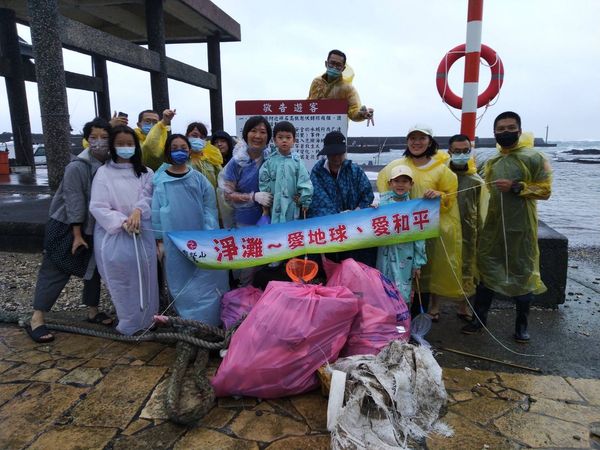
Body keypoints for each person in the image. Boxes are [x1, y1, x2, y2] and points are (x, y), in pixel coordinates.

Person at [462, 111, 552, 343]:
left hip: (521, 227)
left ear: (519, 130)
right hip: (491, 225)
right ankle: (479, 320)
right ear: (494, 133)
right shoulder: (489, 160)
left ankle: (521, 326)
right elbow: (473, 180)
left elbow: (545, 190)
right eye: (500, 129)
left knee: (523, 272)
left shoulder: (534, 157)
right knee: (486, 271)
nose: (505, 132)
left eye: (510, 128)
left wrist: (517, 187)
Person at [27, 118, 113, 343]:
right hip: (68, 226)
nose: (99, 142)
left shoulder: (110, 164)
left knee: (93, 268)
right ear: (86, 140)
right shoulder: (77, 166)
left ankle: (93, 311)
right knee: (56, 267)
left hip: (95, 226)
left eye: (105, 137)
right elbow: (74, 199)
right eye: (94, 137)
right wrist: (76, 233)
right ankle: (37, 318)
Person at [376, 125, 462, 320]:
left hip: (425, 231)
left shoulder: (441, 169)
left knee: (421, 272)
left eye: (421, 138)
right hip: (397, 235)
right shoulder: (396, 165)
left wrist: (440, 195)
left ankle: (415, 317)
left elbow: (451, 196)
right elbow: (383, 187)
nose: (416, 142)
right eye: (412, 138)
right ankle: (394, 317)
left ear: (430, 141)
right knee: (392, 276)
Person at [152, 134, 228, 325]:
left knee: (206, 277)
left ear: (189, 150)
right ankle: (187, 321)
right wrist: (159, 239)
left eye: (183, 148)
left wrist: (208, 233)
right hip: (173, 240)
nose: (180, 151)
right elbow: (155, 211)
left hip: (200, 238)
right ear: (168, 151)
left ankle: (209, 321)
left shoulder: (199, 179)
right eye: (175, 147)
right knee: (180, 279)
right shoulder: (160, 181)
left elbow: (210, 207)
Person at [90, 125, 158, 335]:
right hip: (115, 236)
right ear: (113, 146)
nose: (125, 147)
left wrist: (138, 211)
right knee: (121, 280)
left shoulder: (146, 172)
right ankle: (128, 321)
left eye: (129, 144)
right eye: (120, 144)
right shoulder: (103, 173)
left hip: (142, 232)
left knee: (147, 277)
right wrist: (122, 221)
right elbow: (98, 206)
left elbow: (149, 196)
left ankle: (149, 319)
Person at [219, 116, 274, 285]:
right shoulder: (237, 163)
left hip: (271, 218)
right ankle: (243, 304)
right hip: (246, 222)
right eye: (253, 131)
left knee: (269, 262)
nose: (258, 136)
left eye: (263, 132)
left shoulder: (272, 158)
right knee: (248, 265)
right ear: (246, 134)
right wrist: (252, 197)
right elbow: (227, 193)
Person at [308, 130, 375, 266]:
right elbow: (319, 201)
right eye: (333, 154)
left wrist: (358, 210)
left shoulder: (354, 170)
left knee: (354, 264)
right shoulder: (317, 172)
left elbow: (367, 194)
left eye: (340, 153)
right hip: (330, 229)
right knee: (331, 266)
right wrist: (339, 218)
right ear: (326, 153)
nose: (337, 157)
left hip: (355, 227)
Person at [447, 134, 486, 321]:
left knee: (468, 265)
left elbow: (482, 208)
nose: (461, 154)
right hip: (445, 227)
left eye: (465, 151)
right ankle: (435, 305)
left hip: (469, 228)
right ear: (449, 152)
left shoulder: (476, 180)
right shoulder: (443, 175)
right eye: (457, 151)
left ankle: (464, 305)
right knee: (441, 262)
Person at [376, 165, 427, 304]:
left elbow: (420, 238)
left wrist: (418, 264)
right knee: (383, 288)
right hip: (385, 254)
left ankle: (403, 321)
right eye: (396, 181)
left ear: (411, 185)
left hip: (406, 256)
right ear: (390, 183)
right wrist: (373, 209)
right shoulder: (381, 204)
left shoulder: (415, 207)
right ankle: (387, 322)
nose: (400, 185)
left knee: (403, 290)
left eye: (405, 181)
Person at [258, 121, 313, 224]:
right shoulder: (269, 162)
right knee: (275, 233)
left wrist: (304, 199)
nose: (284, 140)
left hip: (292, 205)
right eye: (280, 137)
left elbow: (304, 180)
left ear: (294, 140)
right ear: (274, 140)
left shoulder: (297, 162)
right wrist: (266, 201)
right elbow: (263, 181)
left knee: (291, 232)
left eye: (288, 137)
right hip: (274, 206)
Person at [308, 49, 374, 122]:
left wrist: (361, 114)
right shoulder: (316, 82)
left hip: (336, 128)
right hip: (314, 126)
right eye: (332, 63)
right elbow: (309, 103)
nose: (334, 67)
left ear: (343, 68)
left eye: (338, 65)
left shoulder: (348, 88)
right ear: (326, 64)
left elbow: (354, 110)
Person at [184, 122, 223, 189]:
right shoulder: (180, 158)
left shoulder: (212, 158)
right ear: (186, 136)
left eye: (202, 137)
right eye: (194, 136)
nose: (198, 139)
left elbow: (222, 181)